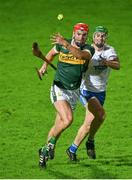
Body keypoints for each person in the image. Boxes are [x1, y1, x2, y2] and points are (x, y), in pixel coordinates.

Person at [32, 23, 95, 168]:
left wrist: (65, 43)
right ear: (74, 34)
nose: (81, 37)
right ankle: (51, 145)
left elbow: (79, 55)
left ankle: (43, 152)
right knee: (68, 119)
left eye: (84, 34)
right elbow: (50, 54)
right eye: (78, 34)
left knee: (59, 124)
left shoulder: (88, 49)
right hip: (59, 88)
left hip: (74, 92)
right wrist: (44, 66)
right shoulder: (62, 45)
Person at [66, 26, 120, 161]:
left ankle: (73, 149)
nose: (100, 38)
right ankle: (89, 142)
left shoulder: (109, 50)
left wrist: (106, 62)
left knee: (89, 123)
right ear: (93, 37)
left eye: (103, 36)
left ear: (106, 37)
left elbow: (117, 65)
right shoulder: (88, 50)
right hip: (86, 91)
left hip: (101, 92)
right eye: (97, 35)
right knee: (101, 115)